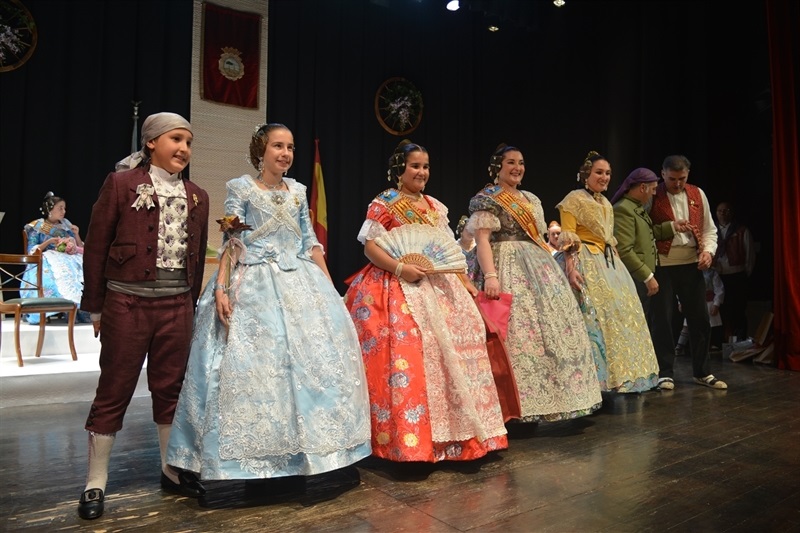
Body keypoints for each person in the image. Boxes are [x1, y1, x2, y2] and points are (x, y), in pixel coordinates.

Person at [166, 123, 371, 489]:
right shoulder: (241, 188)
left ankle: (317, 453)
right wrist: (222, 288)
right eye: (278, 146)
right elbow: (231, 241)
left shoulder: (298, 191)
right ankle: (257, 459)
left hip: (300, 282)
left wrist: (330, 289)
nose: (285, 153)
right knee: (256, 369)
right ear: (261, 151)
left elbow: (310, 242)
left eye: (290, 147)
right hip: (255, 282)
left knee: (310, 367)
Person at [77, 112, 210, 520]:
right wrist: (95, 305)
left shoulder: (197, 196)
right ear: (151, 142)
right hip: (127, 303)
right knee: (114, 388)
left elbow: (196, 258)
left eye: (188, 142)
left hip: (176, 307)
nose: (183, 148)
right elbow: (96, 246)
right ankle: (95, 480)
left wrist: (190, 305)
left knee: (171, 389)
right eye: (175, 139)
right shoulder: (121, 185)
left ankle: (171, 469)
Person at [344, 140, 508, 463]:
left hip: (440, 285)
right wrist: (400, 268)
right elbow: (370, 247)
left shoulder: (435, 207)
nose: (421, 172)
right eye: (415, 166)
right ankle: (413, 441)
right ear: (399, 169)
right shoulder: (384, 203)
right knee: (410, 349)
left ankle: (462, 436)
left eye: (426, 167)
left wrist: (465, 282)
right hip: (397, 283)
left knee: (462, 343)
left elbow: (449, 249)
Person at [468, 144, 602, 421]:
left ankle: (551, 401)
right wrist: (491, 276)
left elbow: (539, 238)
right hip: (503, 263)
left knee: (550, 331)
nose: (517, 168)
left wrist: (566, 264)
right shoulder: (487, 199)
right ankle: (512, 406)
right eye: (510, 162)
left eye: (521, 163)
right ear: (497, 167)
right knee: (516, 331)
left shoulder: (531, 198)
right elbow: (482, 240)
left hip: (537, 266)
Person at [556, 151, 659, 393]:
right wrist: (571, 268)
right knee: (593, 319)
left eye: (608, 173)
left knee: (620, 318)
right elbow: (569, 236)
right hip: (584, 259)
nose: (604, 177)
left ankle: (622, 376)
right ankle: (594, 381)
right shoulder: (573, 199)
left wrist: (620, 270)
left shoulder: (605, 203)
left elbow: (610, 239)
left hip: (608, 262)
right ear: (586, 174)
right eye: (599, 172)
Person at [648, 154, 727, 390]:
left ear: (688, 174)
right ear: (662, 174)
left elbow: (710, 230)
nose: (677, 183)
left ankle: (702, 372)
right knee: (663, 319)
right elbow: (644, 230)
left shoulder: (697, 194)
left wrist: (708, 252)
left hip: (691, 264)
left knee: (700, 318)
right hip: (662, 264)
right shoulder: (653, 194)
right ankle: (664, 373)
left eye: (682, 178)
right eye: (672, 179)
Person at [610, 167, 690, 313]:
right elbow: (624, 250)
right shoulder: (623, 209)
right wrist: (647, 277)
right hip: (634, 277)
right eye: (653, 189)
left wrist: (673, 227)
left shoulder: (635, 206)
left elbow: (647, 234)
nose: (654, 193)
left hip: (639, 276)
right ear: (642, 188)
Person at [22, 192, 91, 324]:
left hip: (68, 258)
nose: (63, 211)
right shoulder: (37, 226)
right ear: (50, 210)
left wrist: (76, 235)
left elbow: (80, 247)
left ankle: (77, 309)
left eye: (64, 208)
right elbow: (31, 250)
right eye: (60, 208)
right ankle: (55, 306)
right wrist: (49, 242)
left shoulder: (66, 225)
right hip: (45, 259)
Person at [714, 201, 756, 342]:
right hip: (717, 276)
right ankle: (720, 342)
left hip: (737, 275)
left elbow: (749, 254)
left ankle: (740, 341)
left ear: (731, 213)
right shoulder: (712, 230)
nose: (723, 213)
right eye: (720, 211)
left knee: (738, 310)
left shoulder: (741, 230)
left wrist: (744, 273)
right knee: (719, 311)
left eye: (726, 210)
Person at [676, 268, 725, 354]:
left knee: (708, 325)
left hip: (708, 302)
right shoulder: (687, 272)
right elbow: (682, 289)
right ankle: (680, 346)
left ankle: (708, 347)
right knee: (687, 325)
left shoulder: (711, 273)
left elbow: (719, 289)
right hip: (692, 302)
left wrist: (716, 304)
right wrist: (681, 302)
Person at [455, 214, 479, 280]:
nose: (470, 232)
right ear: (461, 230)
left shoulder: (478, 247)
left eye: (473, 229)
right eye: (468, 229)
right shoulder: (455, 247)